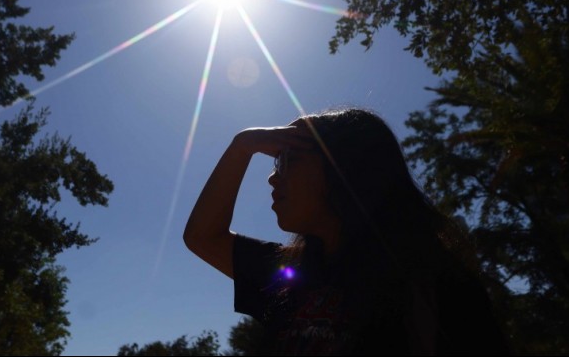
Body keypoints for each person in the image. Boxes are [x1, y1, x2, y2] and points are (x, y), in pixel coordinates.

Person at [184, 107, 509, 355]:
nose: (272, 178)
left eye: (287, 160)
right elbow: (202, 236)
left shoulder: (436, 285)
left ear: (346, 168)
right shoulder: (284, 271)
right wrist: (243, 145)